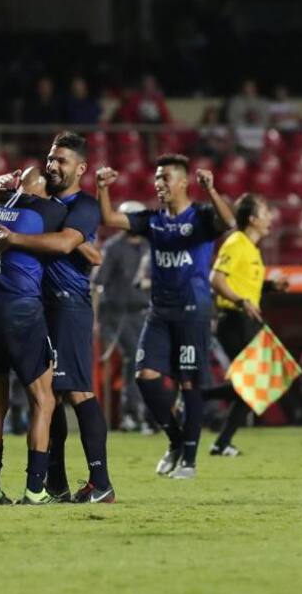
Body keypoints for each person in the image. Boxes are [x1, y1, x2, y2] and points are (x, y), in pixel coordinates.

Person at [0, 131, 114, 503]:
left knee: (77, 391)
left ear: (80, 168)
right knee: (50, 396)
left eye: (61, 160)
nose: (53, 165)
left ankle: (101, 482)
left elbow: (75, 246)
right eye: (51, 158)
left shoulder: (82, 206)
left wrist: (15, 239)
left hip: (66, 305)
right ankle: (55, 482)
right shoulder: (39, 203)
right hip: (37, 306)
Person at [96, 154, 235, 479]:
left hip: (193, 310)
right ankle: (175, 439)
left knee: (188, 382)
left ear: (183, 182)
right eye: (157, 177)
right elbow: (109, 218)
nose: (159, 183)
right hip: (159, 312)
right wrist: (102, 188)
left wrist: (212, 191)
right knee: (144, 375)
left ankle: (189, 460)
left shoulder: (201, 216)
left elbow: (228, 223)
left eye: (165, 177)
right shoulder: (152, 220)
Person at [202, 194, 290, 455]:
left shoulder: (251, 248)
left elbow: (244, 284)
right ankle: (195, 397)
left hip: (247, 319)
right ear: (252, 219)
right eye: (265, 212)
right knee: (256, 382)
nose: (270, 217)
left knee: (258, 383)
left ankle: (221, 441)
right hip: (234, 320)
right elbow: (216, 279)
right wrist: (241, 302)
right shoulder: (236, 242)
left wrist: (271, 286)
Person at [95, 227, 151, 433]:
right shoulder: (113, 247)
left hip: (144, 313)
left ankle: (145, 414)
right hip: (117, 315)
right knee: (135, 357)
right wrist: (96, 319)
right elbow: (98, 282)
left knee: (146, 361)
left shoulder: (149, 245)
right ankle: (131, 413)